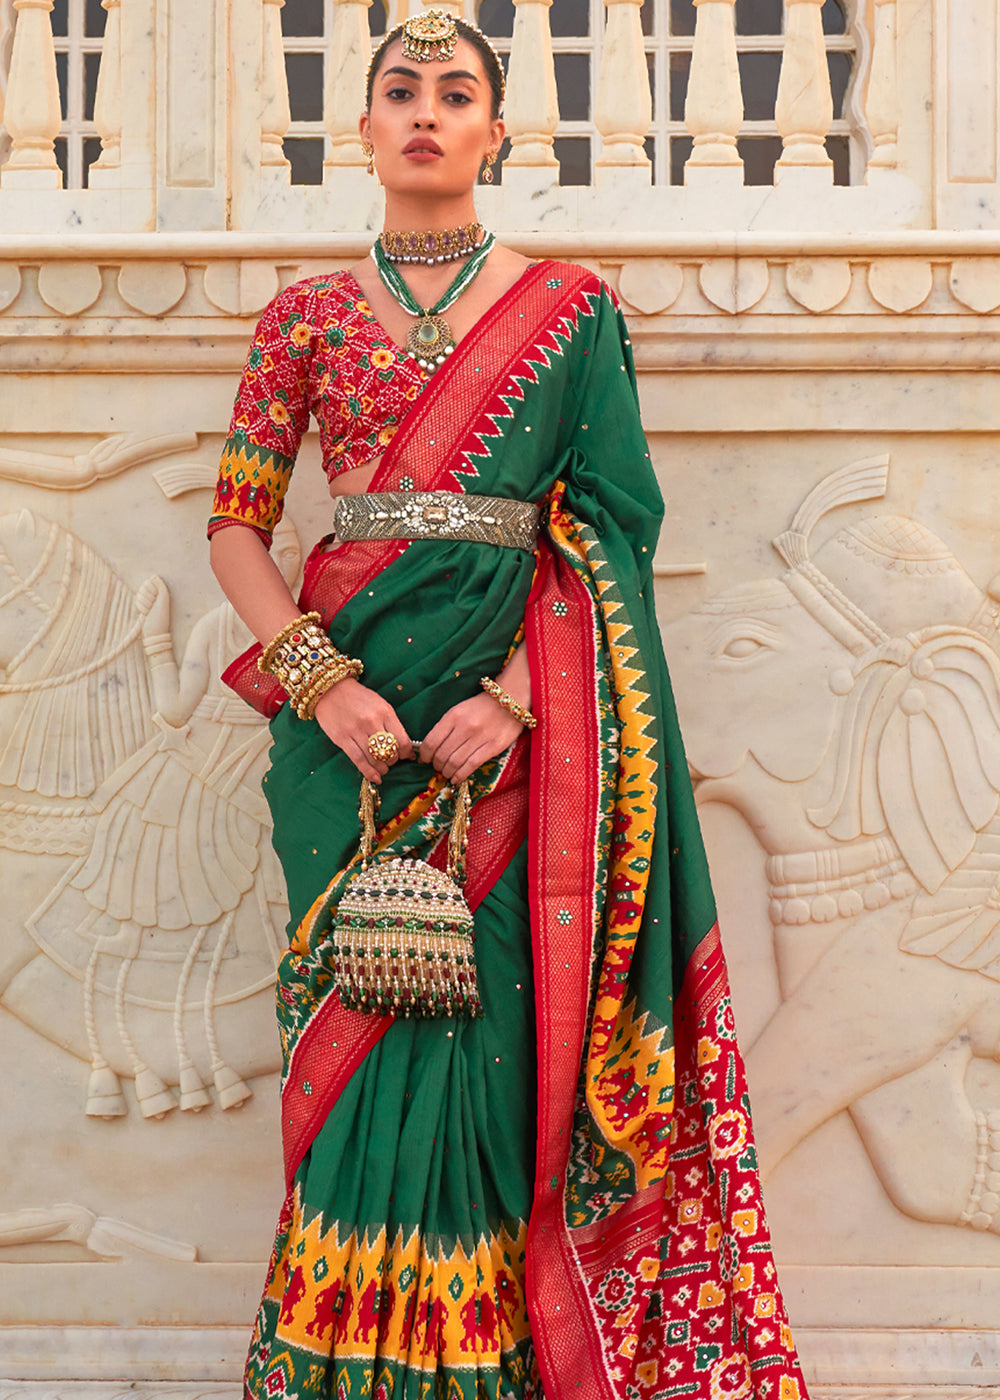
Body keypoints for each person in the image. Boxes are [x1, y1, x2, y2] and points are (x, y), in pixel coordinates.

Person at [208, 13, 809, 1400]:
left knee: (497, 1064)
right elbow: (237, 527)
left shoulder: (572, 310)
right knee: (353, 1045)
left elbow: (609, 525)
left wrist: (526, 698)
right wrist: (322, 682)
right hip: (346, 737)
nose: (426, 111)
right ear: (358, 130)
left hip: (520, 738)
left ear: (497, 132)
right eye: (399, 91)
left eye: (457, 92)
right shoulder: (301, 315)